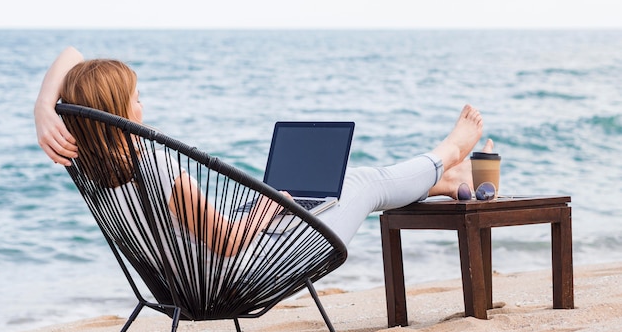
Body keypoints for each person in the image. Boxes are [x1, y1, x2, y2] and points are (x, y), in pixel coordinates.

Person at [35, 46, 493, 250]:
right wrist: (264, 212)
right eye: (135, 97)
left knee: (335, 189)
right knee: (361, 181)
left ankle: (440, 181)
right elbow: (228, 245)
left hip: (176, 288)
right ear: (119, 111)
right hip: (249, 273)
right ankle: (447, 154)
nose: (143, 103)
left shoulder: (89, 163)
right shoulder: (159, 168)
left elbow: (72, 56)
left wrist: (44, 107)